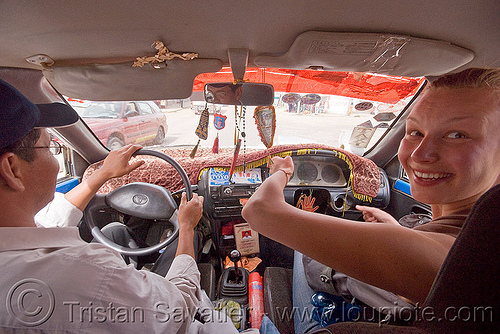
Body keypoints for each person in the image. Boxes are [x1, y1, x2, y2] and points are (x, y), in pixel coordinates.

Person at [241, 68, 500, 331]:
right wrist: (396, 232)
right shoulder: (474, 241)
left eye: (457, 135)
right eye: (415, 132)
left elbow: (261, 211)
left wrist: (282, 173)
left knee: (295, 261)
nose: (421, 155)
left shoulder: (458, 260)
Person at [0, 78, 240, 333]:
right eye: (51, 147)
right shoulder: (86, 273)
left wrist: (102, 174)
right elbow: (178, 311)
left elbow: (54, 220)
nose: (56, 159)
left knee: (114, 230)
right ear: (12, 169)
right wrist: (187, 226)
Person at [35, 143, 145, 228]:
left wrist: (105, 172)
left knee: (115, 230)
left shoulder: (35, 224)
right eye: (49, 149)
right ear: (16, 172)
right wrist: (105, 172)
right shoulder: (97, 256)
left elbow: (54, 218)